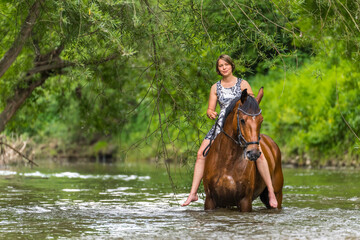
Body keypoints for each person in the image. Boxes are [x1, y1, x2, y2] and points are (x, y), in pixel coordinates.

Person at [181, 54, 278, 208]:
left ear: (232, 66)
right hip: (221, 124)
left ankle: (271, 191)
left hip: (242, 124)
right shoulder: (215, 87)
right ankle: (193, 193)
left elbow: (252, 105)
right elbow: (211, 108)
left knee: (259, 155)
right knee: (201, 154)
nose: (224, 67)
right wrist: (210, 112)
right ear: (218, 69)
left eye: (226, 64)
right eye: (220, 65)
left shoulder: (242, 83)